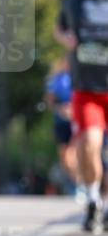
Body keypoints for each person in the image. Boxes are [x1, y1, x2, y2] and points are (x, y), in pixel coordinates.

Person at [55, 0, 108, 233]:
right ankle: (92, 200)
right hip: (86, 86)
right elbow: (60, 27)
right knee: (89, 144)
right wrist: (67, 39)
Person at [44, 56, 80, 199]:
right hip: (61, 121)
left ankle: (81, 185)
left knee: (75, 153)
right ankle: (75, 182)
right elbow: (49, 100)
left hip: (76, 121)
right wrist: (59, 108)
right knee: (65, 157)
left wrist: (73, 110)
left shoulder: (80, 76)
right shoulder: (57, 79)